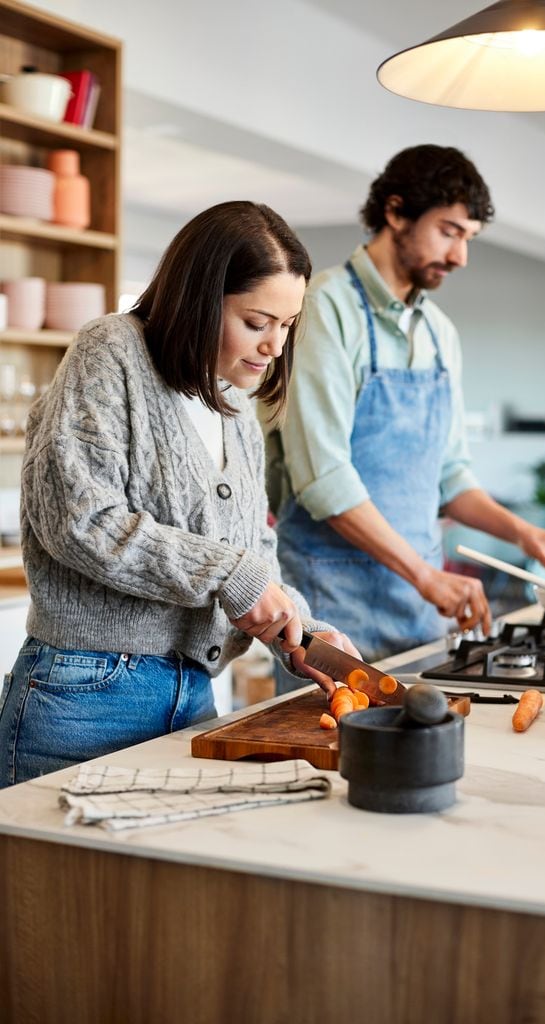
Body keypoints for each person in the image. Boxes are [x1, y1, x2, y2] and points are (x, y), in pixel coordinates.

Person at [0, 201, 359, 788]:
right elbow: (79, 519)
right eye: (256, 321)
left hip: (192, 694)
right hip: (83, 696)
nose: (274, 345)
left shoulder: (237, 405)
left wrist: (301, 626)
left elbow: (251, 551)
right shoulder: (110, 351)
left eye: (287, 325)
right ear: (199, 297)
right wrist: (231, 577)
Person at [262, 144, 545, 679]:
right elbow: (324, 480)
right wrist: (426, 577)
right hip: (331, 604)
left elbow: (450, 474)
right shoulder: (324, 308)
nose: (460, 257)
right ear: (395, 212)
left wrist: (526, 535)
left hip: (419, 606)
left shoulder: (439, 334)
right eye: (450, 231)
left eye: (468, 239)